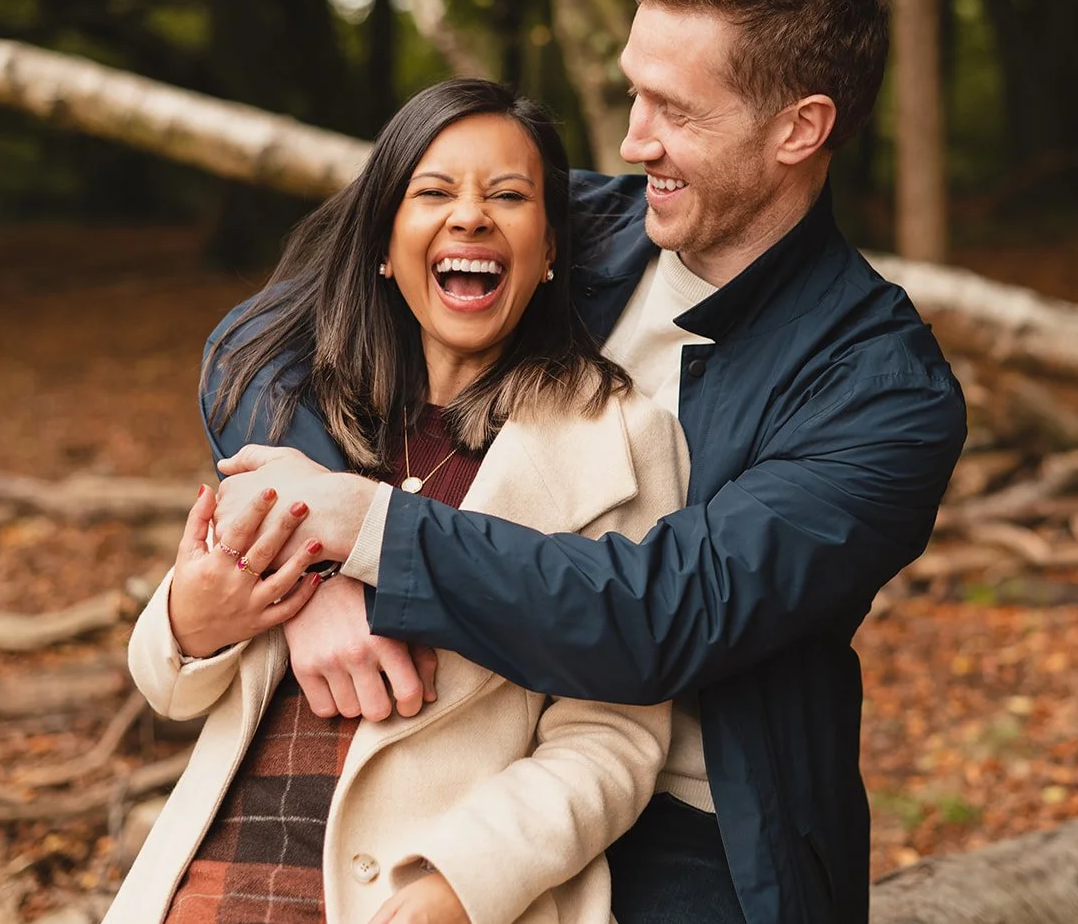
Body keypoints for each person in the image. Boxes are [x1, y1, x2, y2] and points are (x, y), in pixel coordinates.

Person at [210, 0, 967, 924]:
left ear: (801, 128)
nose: (631, 137)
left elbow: (660, 615)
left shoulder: (880, 392)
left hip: (698, 827)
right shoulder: (563, 225)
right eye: (631, 93)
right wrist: (310, 570)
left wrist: (369, 531)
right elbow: (260, 338)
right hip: (463, 749)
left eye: (674, 110)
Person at [103, 79, 691, 924]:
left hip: (427, 895)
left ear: (553, 247)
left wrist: (456, 886)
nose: (471, 217)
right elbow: (169, 684)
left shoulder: (620, 441)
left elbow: (616, 737)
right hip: (214, 883)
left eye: (509, 196)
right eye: (435, 192)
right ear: (384, 244)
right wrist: (193, 620)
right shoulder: (308, 421)